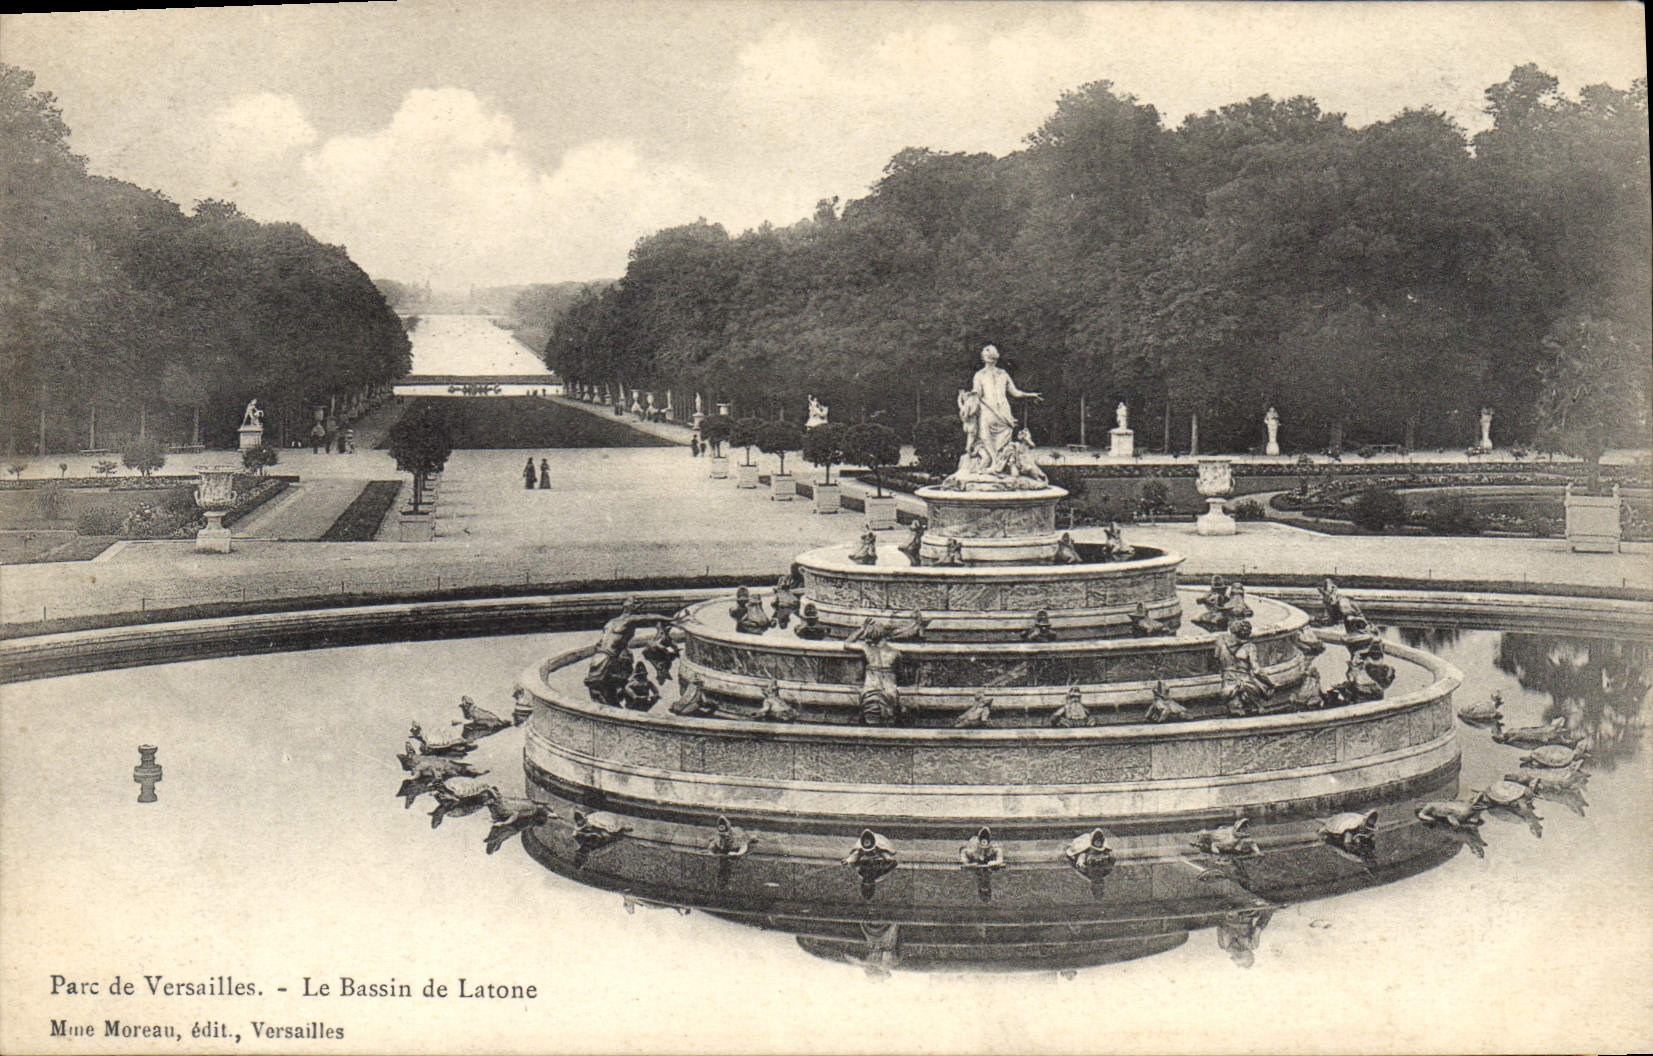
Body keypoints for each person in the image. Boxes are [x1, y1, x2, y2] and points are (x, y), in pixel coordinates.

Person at [955, 344, 1042, 477]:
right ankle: (999, 464)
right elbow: (1016, 393)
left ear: (985, 358)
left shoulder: (980, 375)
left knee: (985, 437)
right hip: (1004, 411)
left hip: (989, 410)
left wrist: (964, 398)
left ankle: (995, 462)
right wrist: (1030, 395)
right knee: (1000, 441)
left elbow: (977, 394)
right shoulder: (1003, 373)